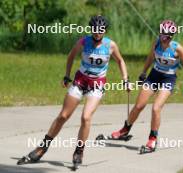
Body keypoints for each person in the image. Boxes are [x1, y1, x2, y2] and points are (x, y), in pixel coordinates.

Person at [17, 15, 130, 165]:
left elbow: (120, 60)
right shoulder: (83, 42)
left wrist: (125, 79)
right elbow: (70, 56)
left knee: (86, 117)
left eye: (101, 30)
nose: (97, 33)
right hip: (80, 80)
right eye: (95, 30)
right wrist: (67, 76)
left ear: (104, 31)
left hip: (97, 84)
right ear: (91, 29)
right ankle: (42, 148)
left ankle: (79, 151)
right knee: (63, 116)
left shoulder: (111, 45)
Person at [111, 20, 183, 151]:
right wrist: (143, 72)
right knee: (139, 106)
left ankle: (152, 139)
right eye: (162, 35)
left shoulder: (177, 49)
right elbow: (150, 58)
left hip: (168, 78)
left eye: (166, 37)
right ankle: (125, 130)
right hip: (154, 75)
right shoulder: (156, 43)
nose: (163, 39)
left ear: (172, 36)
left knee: (156, 108)